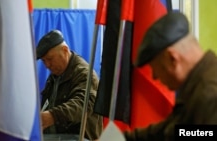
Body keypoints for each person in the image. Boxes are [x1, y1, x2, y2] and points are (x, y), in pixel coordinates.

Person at [124, 12, 217, 141]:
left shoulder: (209, 95)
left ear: (172, 58)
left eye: (156, 69)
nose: (155, 77)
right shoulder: (196, 86)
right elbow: (170, 131)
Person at [36, 29, 103, 140]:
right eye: (43, 61)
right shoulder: (54, 76)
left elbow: (83, 104)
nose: (47, 65)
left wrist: (53, 116)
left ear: (65, 50)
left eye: (50, 59)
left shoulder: (84, 74)